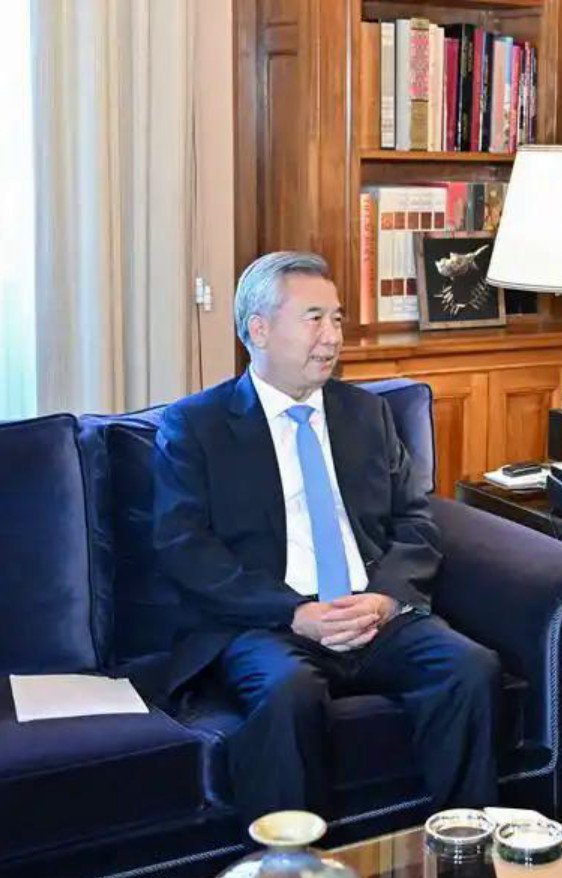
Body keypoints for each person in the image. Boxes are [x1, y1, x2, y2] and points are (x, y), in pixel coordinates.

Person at [153, 251, 500, 821]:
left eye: (337, 319)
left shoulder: (367, 413)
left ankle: (461, 845)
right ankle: (294, 859)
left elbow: (415, 519)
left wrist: (386, 597)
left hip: (373, 613)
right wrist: (294, 612)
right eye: (314, 318)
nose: (333, 336)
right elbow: (184, 547)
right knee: (287, 691)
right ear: (258, 330)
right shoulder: (196, 425)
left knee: (470, 668)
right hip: (269, 624)